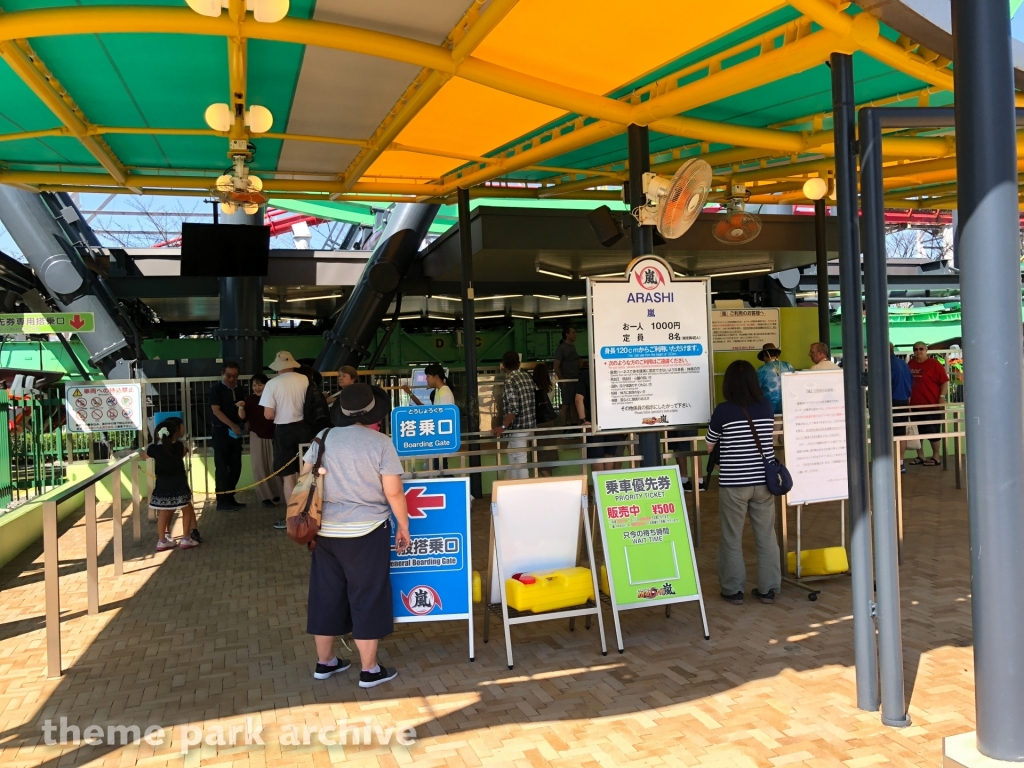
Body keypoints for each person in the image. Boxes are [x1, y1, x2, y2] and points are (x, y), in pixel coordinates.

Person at [304, 383, 411, 688]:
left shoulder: (323, 438)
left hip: (325, 532)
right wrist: (402, 525)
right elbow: (393, 491)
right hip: (367, 531)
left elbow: (304, 478)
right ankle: (369, 669)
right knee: (367, 595)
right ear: (372, 412)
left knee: (326, 595)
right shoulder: (380, 443)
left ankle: (325, 663)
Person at [705, 360, 781, 606]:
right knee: (766, 536)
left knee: (731, 537)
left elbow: (710, 444)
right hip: (764, 480)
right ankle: (768, 589)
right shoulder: (766, 406)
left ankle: (733, 590)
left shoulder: (723, 411)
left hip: (734, 482)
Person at [261, 350, 314, 529]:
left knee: (288, 477)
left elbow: (268, 415)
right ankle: (311, 515)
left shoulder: (271, 384)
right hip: (305, 429)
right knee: (306, 475)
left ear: (278, 367)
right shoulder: (305, 380)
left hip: (283, 431)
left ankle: (293, 519)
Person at [141, 417, 199, 550]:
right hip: (179, 483)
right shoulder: (179, 446)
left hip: (162, 484)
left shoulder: (154, 449)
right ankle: (186, 539)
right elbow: (184, 451)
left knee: (163, 512)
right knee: (186, 509)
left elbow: (144, 456)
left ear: (157, 434)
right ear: (175, 434)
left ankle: (162, 541)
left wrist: (139, 451)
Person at [238, 374, 283, 509]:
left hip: (273, 435)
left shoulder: (273, 397)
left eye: (260, 384)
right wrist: (240, 407)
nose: (257, 387)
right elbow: (242, 417)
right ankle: (265, 497)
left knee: (274, 465)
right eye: (254, 385)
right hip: (256, 435)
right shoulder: (250, 399)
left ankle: (277, 493)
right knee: (260, 466)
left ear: (266, 385)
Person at [492, 351, 536, 479]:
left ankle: (523, 492)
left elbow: (513, 409)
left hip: (518, 429)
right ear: (519, 363)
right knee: (513, 457)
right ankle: (509, 487)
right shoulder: (527, 377)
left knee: (520, 461)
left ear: (503, 365)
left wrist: (503, 427)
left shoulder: (510, 380)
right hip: (530, 426)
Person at [208, 361, 245, 511]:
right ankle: (222, 501)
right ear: (223, 374)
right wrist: (232, 425)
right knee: (223, 467)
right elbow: (216, 411)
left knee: (236, 466)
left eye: (235, 376)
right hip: (221, 432)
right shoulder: (216, 389)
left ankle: (230, 497)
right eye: (229, 375)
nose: (231, 379)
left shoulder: (240, 390)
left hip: (236, 434)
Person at [907, 341, 949, 466]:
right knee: (917, 432)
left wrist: (942, 397)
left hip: (931, 405)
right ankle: (920, 456)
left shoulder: (934, 364)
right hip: (914, 405)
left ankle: (936, 457)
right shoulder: (910, 364)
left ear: (926, 350)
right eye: (915, 349)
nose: (918, 352)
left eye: (921, 349)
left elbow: (945, 382)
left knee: (933, 432)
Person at [574, 363, 619, 476]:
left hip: (593, 423)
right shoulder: (612, 373)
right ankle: (606, 489)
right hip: (611, 421)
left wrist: (583, 421)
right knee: (608, 455)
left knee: (596, 457)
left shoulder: (586, 376)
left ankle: (598, 490)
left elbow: (578, 399)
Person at [890, 343, 913, 473]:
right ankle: (900, 463)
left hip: (891, 402)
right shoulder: (904, 364)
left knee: (888, 434)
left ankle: (890, 463)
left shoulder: (885, 364)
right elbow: (911, 381)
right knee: (901, 433)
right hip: (904, 401)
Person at [533, 362, 558, 477]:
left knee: (540, 456)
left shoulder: (533, 388)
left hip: (538, 422)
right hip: (549, 421)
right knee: (549, 453)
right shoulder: (551, 386)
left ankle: (549, 482)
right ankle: (550, 480)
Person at [756, 343, 794, 415]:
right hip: (788, 406)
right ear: (777, 354)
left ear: (764, 355)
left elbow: (755, 390)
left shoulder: (762, 370)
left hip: (769, 408)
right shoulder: (788, 365)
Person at [553, 326, 580, 425]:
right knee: (566, 405)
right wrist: (562, 380)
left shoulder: (572, 347)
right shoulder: (561, 349)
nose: (575, 334)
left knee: (573, 404)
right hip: (567, 381)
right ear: (567, 334)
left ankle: (573, 425)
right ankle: (564, 427)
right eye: (573, 332)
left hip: (574, 380)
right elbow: (556, 366)